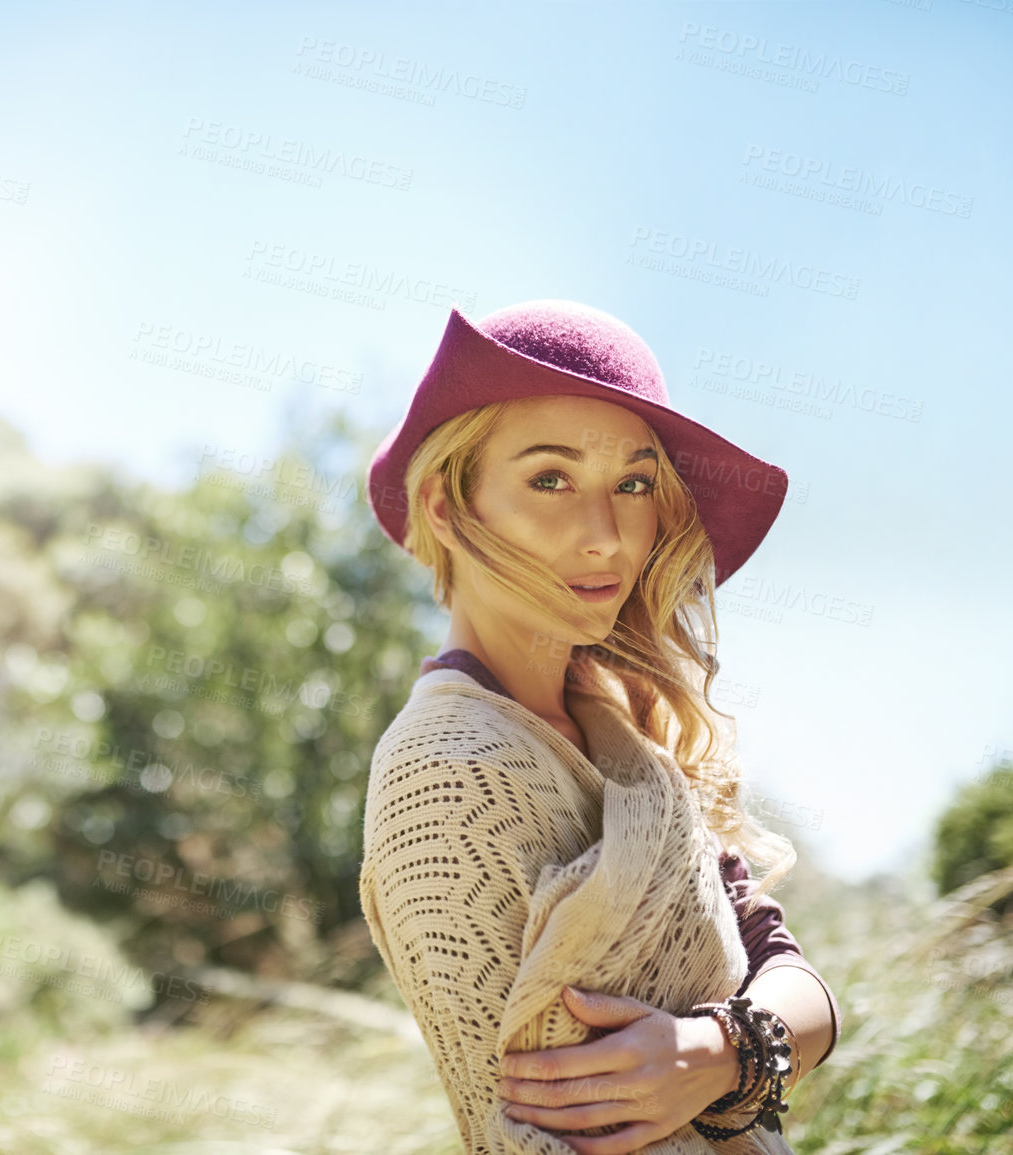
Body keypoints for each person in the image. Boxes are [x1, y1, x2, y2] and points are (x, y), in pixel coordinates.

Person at [357, 300, 840, 1154]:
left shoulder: (629, 746)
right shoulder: (448, 769)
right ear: (444, 503)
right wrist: (744, 1057)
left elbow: (796, 978)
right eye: (550, 478)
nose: (605, 535)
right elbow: (529, 1132)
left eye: (634, 483)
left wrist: (718, 1052)